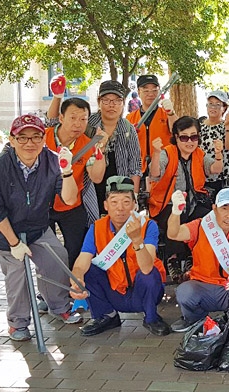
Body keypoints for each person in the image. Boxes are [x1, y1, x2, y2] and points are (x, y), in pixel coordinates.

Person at [0, 115, 82, 341]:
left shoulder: (53, 161)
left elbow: (69, 198)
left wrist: (66, 172)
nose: (29, 143)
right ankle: (18, 323)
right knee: (18, 274)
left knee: (57, 258)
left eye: (36, 137)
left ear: (43, 139)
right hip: (5, 232)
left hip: (37, 228)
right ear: (12, 140)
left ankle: (58, 306)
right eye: (23, 137)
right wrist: (15, 244)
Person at [69, 176, 169, 337]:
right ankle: (107, 316)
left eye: (126, 202)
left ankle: (151, 317)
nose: (120, 208)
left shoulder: (148, 225)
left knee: (150, 274)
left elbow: (147, 266)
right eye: (114, 202)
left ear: (134, 205)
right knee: (88, 270)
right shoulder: (97, 228)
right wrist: (77, 278)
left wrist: (137, 239)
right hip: (115, 291)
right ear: (106, 205)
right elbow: (82, 260)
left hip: (143, 292)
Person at [166, 188, 229, 332]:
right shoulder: (200, 225)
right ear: (214, 209)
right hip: (203, 286)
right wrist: (175, 212)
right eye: (224, 208)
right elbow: (174, 234)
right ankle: (195, 320)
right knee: (185, 292)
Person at [47, 78, 142, 218]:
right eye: (106, 100)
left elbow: (135, 166)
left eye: (117, 101)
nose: (112, 105)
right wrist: (57, 97)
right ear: (99, 102)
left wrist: (133, 195)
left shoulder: (128, 129)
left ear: (123, 103)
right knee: (93, 226)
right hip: (88, 188)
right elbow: (53, 123)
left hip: (118, 188)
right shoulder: (87, 122)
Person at [148, 116, 223, 280]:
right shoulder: (167, 153)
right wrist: (155, 153)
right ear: (176, 137)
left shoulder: (199, 154)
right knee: (176, 216)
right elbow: (154, 174)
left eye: (194, 137)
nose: (189, 141)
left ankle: (194, 257)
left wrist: (218, 154)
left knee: (207, 218)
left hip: (193, 203)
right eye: (184, 137)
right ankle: (173, 259)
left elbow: (215, 169)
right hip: (165, 204)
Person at [46, 98, 108, 269]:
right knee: (46, 251)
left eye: (83, 119)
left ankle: (74, 286)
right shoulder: (43, 137)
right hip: (42, 205)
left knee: (76, 248)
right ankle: (49, 292)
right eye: (73, 118)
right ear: (61, 118)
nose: (78, 124)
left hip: (71, 205)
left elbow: (96, 177)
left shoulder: (88, 144)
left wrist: (100, 149)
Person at [126, 74, 177, 177]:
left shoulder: (166, 113)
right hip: (138, 169)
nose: (151, 94)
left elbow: (176, 131)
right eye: (146, 91)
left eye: (154, 90)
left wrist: (171, 113)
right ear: (139, 92)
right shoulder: (130, 118)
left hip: (163, 166)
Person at [200, 91, 229, 197]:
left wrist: (227, 125)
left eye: (217, 104)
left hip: (223, 176)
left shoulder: (226, 126)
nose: (213, 107)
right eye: (211, 104)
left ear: (224, 108)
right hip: (203, 174)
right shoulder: (199, 125)